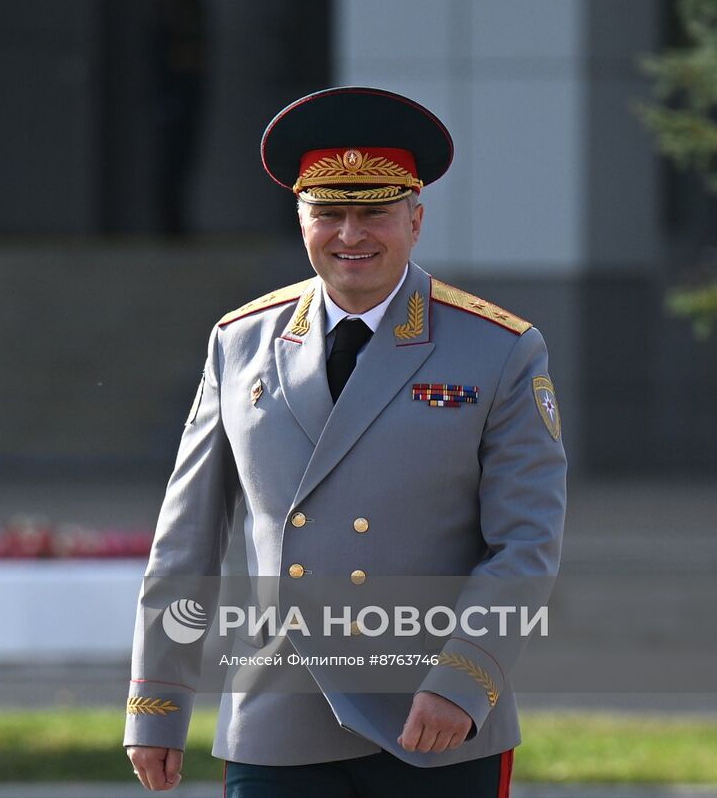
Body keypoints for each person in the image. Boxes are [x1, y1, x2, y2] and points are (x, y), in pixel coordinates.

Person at [123, 87, 566, 796]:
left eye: (375, 214)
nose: (350, 235)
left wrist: (464, 678)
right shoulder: (240, 343)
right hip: (277, 713)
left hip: (434, 718)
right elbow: (186, 542)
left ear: (415, 222)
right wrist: (157, 702)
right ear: (301, 220)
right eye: (328, 213)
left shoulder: (498, 349)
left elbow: (525, 543)